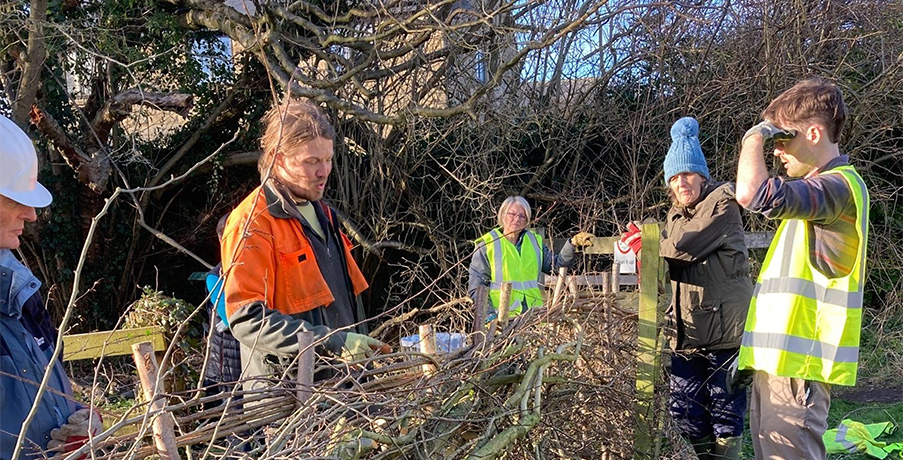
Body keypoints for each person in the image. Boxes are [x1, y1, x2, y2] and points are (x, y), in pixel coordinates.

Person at [734, 78, 869, 460]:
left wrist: (753, 137)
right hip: (779, 366)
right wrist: (753, 359)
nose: (776, 150)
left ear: (813, 133)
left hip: (799, 369)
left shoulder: (836, 189)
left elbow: (752, 194)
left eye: (782, 139)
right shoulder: (817, 196)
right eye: (773, 140)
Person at [220, 99, 389, 393]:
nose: (323, 171)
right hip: (287, 399)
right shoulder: (252, 222)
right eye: (311, 161)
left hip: (343, 387)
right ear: (277, 158)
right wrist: (334, 343)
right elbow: (246, 319)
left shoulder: (324, 213)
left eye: (328, 159)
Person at [621, 117, 752, 459]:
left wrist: (648, 244)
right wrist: (644, 246)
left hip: (725, 329)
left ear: (702, 176)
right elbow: (667, 257)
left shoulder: (723, 203)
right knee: (684, 412)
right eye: (675, 178)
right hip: (687, 332)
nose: (682, 183)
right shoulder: (674, 216)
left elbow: (683, 247)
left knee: (724, 413)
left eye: (688, 175)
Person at [0, 116, 100, 460]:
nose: (31, 214)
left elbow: (40, 391)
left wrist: (82, 420)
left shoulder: (17, 290)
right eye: (14, 199)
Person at [468, 195, 593, 318]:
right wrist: (489, 316)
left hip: (532, 316)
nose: (517, 219)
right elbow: (477, 288)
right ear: (502, 215)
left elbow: (556, 266)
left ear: (527, 221)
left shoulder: (534, 241)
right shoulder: (487, 244)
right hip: (501, 318)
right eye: (512, 214)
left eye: (522, 216)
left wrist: (572, 244)